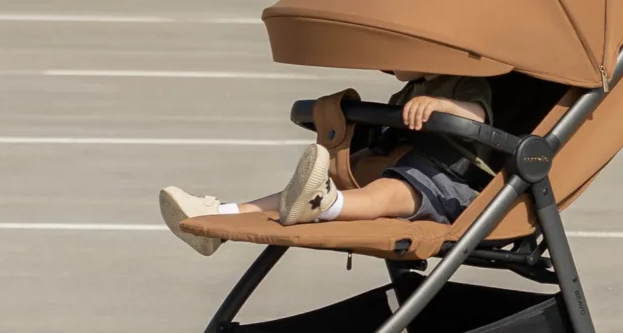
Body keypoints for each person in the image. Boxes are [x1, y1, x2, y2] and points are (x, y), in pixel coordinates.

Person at [160, 74, 494, 252]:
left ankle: (326, 204)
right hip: (401, 165)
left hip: (450, 185)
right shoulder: (413, 88)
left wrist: (444, 107)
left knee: (389, 192)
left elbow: (478, 116)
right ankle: (221, 215)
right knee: (297, 192)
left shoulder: (467, 81)